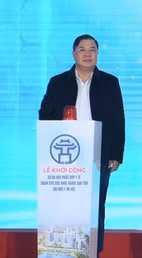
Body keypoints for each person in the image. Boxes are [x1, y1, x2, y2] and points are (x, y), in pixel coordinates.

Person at [39, 34, 125, 254]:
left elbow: (117, 119)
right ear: (74, 53)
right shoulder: (58, 82)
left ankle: (93, 250)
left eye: (93, 49)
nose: (88, 54)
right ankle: (62, 249)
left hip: (99, 153)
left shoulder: (110, 82)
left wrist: (116, 155)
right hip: (65, 155)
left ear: (97, 54)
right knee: (64, 205)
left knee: (95, 206)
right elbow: (45, 115)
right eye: (83, 49)